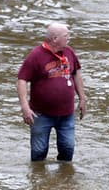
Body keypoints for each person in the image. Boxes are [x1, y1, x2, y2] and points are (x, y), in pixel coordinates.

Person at [16, 22, 87, 162]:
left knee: (68, 149)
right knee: (39, 152)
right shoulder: (36, 55)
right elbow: (21, 80)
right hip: (41, 114)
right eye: (66, 36)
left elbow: (76, 73)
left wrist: (82, 98)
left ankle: (64, 180)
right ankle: (38, 180)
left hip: (67, 114)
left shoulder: (69, 52)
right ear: (55, 39)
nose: (69, 38)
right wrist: (25, 107)